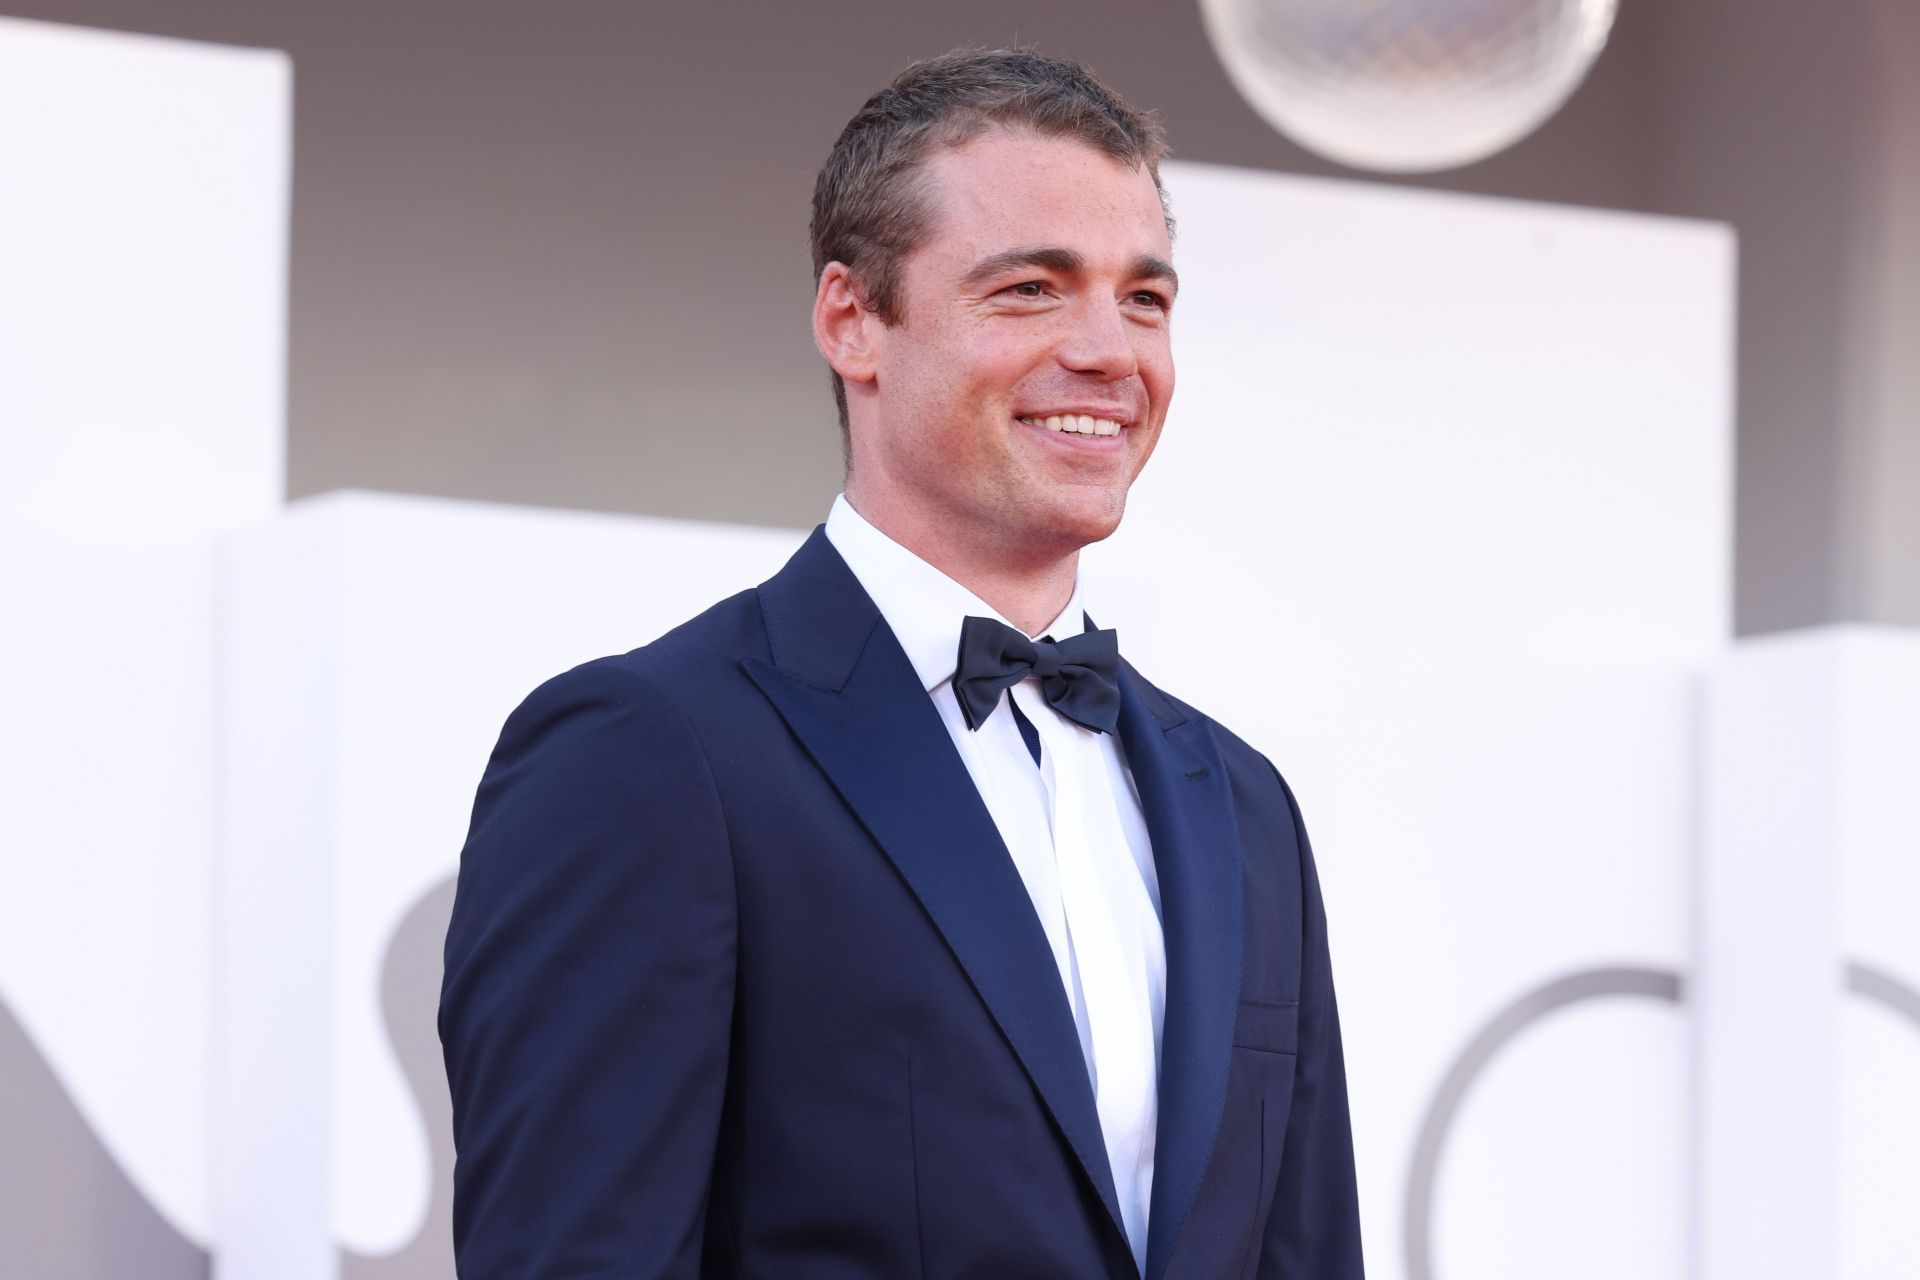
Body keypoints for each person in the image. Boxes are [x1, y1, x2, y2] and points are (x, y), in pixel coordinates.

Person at [439, 47, 1364, 1279]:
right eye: (1031, 288)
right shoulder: (650, 752)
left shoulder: (1243, 804)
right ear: (851, 321)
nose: (1110, 351)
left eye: (1145, 298)